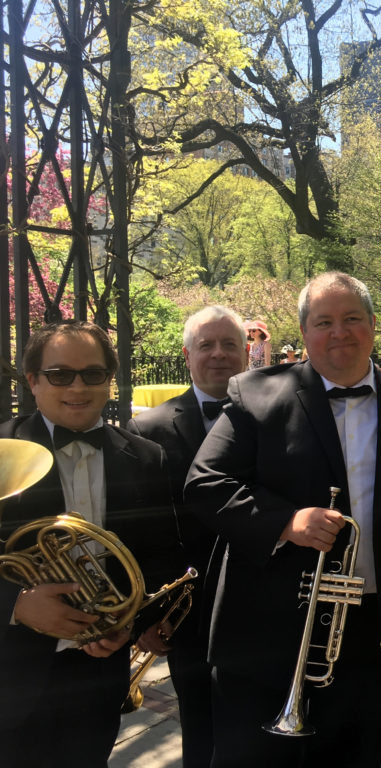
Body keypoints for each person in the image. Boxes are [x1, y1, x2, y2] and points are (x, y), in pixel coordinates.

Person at [185, 273, 381, 768]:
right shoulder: (257, 393)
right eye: (324, 322)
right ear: (304, 332)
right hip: (267, 630)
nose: (339, 332)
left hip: (377, 631)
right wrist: (286, 522)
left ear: (373, 326)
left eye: (351, 319)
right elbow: (205, 483)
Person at [0, 320, 183, 767]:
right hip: (11, 666)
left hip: (99, 670)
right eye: (60, 374)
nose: (77, 386)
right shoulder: (4, 450)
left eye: (93, 374)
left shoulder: (145, 458)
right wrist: (17, 603)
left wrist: (129, 622)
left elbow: (159, 558)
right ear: (33, 381)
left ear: (109, 380)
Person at [127, 304, 248, 768]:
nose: (219, 355)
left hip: (268, 604)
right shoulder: (149, 429)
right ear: (187, 354)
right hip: (189, 612)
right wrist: (149, 614)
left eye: (229, 344)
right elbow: (144, 529)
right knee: (200, 723)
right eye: (206, 345)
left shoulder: (276, 417)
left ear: (246, 353)